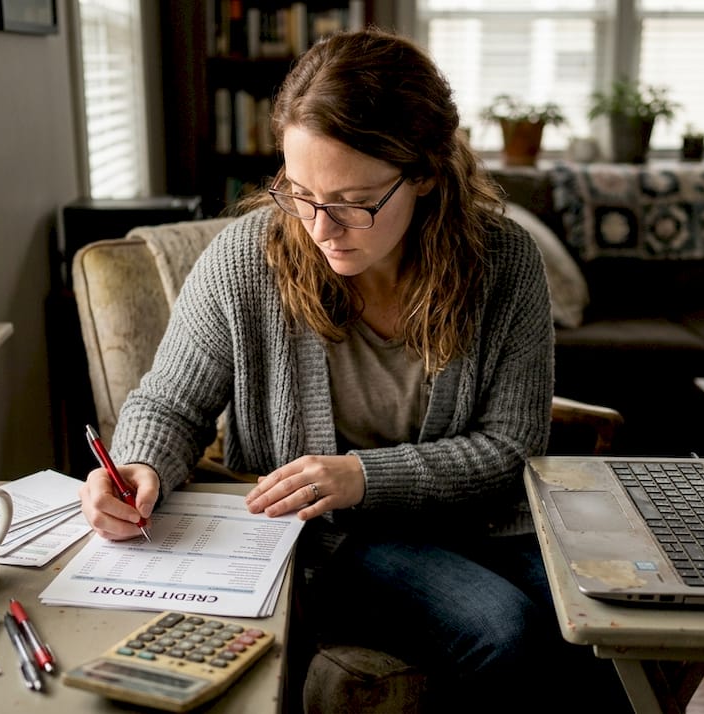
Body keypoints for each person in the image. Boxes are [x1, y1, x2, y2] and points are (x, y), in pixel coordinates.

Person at [79, 27, 624, 710]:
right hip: (328, 541)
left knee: (611, 625)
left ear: (424, 173)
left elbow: (512, 447)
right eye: (300, 192)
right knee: (504, 630)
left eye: (353, 202)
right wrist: (139, 467)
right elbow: (170, 404)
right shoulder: (248, 259)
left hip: (475, 518)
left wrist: (361, 476)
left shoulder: (504, 264)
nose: (321, 226)